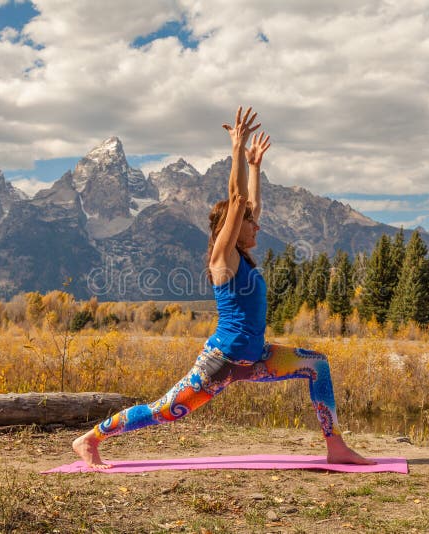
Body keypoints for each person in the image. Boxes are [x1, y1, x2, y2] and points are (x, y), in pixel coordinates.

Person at [73, 107, 373, 468]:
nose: (257, 227)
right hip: (223, 362)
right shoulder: (223, 258)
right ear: (230, 227)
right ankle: (91, 439)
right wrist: (237, 148)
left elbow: (252, 205)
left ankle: (336, 446)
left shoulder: (243, 254)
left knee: (317, 365)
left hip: (257, 357)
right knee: (166, 411)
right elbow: (239, 201)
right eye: (250, 224)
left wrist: (256, 166)